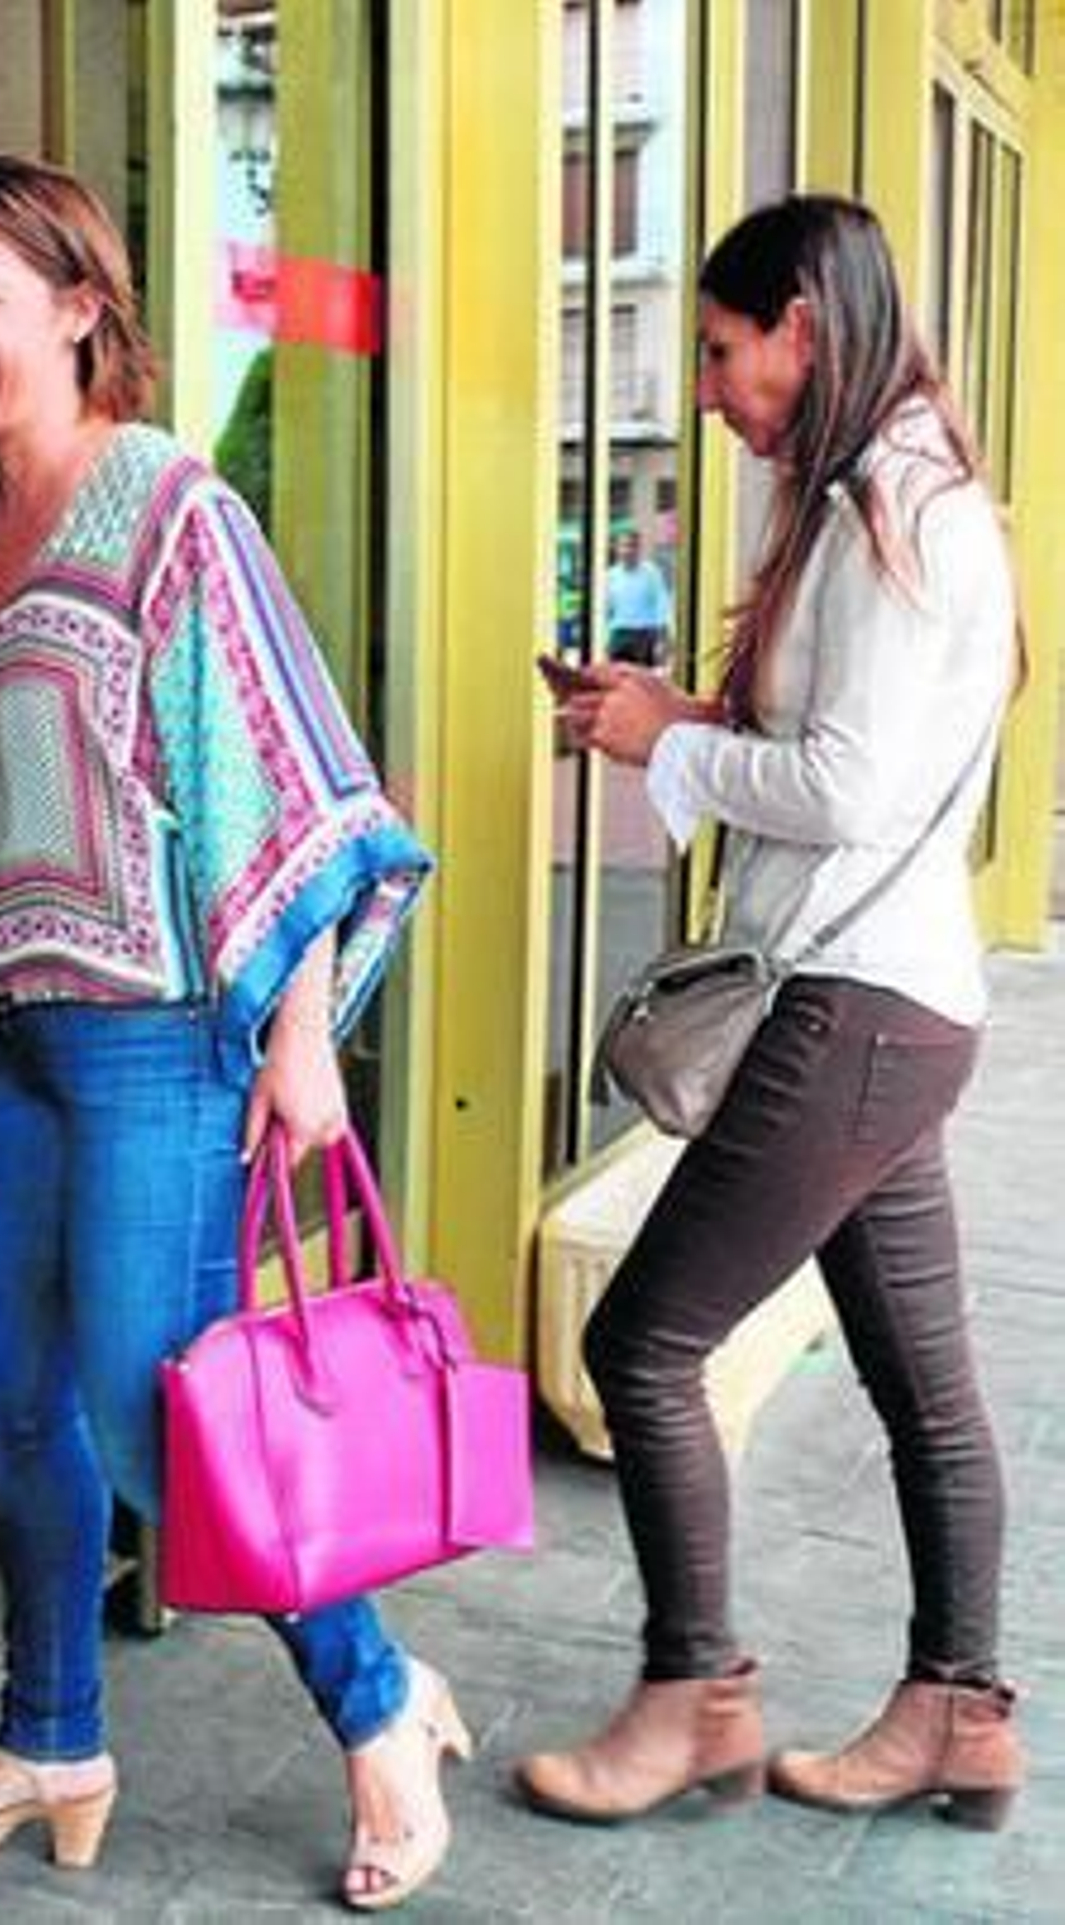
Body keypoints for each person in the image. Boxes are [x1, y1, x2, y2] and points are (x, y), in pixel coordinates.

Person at [0, 152, 465, 1911]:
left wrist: (299, 1035)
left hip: (162, 1043)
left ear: (78, 309)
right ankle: (53, 1733)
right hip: (27, 1046)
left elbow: (298, 776)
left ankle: (378, 1703)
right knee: (9, 1394)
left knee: (155, 1417)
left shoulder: (169, 509)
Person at [524, 194, 1025, 1828]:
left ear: (802, 330)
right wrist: (669, 716)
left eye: (728, 353)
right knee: (926, 1385)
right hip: (896, 1003)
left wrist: (667, 736)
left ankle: (694, 1701)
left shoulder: (900, 508)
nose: (720, 391)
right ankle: (959, 1714)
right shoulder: (886, 499)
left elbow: (848, 784)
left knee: (644, 1342)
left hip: (854, 1005)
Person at [604, 528, 673, 666]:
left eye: (632, 546)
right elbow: (607, 611)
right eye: (623, 546)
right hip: (619, 635)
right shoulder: (610, 575)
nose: (627, 550)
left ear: (638, 549)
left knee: (642, 682)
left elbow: (662, 607)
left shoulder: (652, 573)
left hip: (644, 636)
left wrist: (663, 641)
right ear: (617, 549)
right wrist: (606, 640)